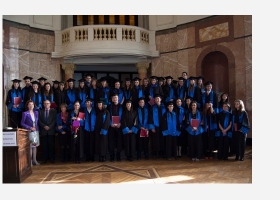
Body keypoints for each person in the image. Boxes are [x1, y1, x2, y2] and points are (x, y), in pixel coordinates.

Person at [21, 100, 40, 166]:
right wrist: (30, 128)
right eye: (29, 104)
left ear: (34, 105)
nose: (31, 105)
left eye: (32, 104)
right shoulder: (25, 113)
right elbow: (22, 123)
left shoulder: (36, 112)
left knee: (35, 146)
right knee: (30, 146)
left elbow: (37, 122)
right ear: (27, 106)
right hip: (29, 132)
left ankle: (35, 160)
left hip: (36, 131)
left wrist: (36, 128)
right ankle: (30, 161)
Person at [38, 99, 57, 164]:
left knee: (51, 145)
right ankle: (44, 159)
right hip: (43, 131)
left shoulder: (53, 111)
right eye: (45, 103)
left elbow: (54, 120)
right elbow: (39, 120)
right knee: (44, 146)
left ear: (50, 104)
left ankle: (52, 158)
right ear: (43, 104)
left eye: (48, 103)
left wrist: (49, 126)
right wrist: (44, 126)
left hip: (51, 130)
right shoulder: (40, 111)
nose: (46, 105)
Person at [148, 94, 166, 158]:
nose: (157, 100)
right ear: (154, 100)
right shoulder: (152, 107)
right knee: (155, 140)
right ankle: (155, 152)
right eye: (156, 99)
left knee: (162, 139)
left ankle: (162, 152)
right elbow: (150, 118)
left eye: (158, 99)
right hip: (155, 126)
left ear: (160, 99)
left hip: (163, 126)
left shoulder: (164, 107)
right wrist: (152, 127)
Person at [107, 93, 123, 161]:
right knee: (111, 141)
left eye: (116, 98)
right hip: (112, 126)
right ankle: (112, 155)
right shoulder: (109, 106)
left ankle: (118, 155)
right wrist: (111, 123)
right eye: (113, 98)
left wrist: (120, 123)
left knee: (119, 141)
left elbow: (124, 116)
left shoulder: (122, 106)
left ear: (118, 98)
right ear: (112, 99)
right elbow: (107, 117)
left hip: (119, 126)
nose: (115, 99)